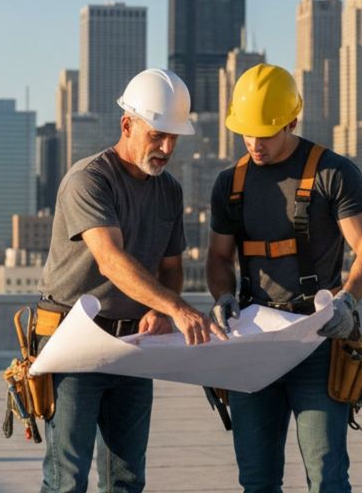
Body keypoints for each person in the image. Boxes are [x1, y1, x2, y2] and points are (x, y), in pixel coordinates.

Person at [37, 68, 226, 493]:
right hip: (73, 342)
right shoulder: (89, 179)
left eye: (174, 138)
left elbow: (171, 269)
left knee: (127, 478)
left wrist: (161, 309)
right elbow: (111, 261)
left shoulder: (169, 190)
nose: (166, 148)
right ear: (127, 124)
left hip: (134, 348)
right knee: (66, 480)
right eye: (157, 135)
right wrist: (175, 308)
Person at [206, 63, 362, 492]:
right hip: (254, 343)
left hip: (317, 342)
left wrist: (348, 301)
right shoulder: (230, 183)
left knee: (327, 477)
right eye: (246, 133)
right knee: (257, 479)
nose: (254, 143)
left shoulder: (333, 173)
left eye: (264, 133)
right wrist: (222, 295)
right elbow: (217, 255)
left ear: (292, 120)